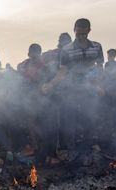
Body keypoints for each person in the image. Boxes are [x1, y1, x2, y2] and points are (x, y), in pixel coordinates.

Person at [43, 18, 104, 164]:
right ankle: (71, 152)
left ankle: (86, 151)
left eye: (84, 33)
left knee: (89, 120)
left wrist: (99, 85)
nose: (81, 36)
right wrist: (50, 84)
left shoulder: (97, 46)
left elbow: (100, 68)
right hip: (71, 90)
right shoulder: (66, 50)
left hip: (89, 90)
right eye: (78, 34)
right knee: (69, 121)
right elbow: (62, 72)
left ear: (89, 30)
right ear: (74, 31)